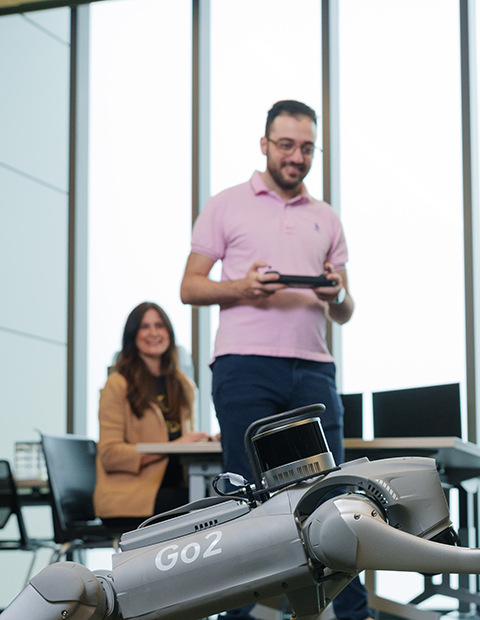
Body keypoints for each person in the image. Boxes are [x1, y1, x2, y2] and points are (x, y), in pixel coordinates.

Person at [179, 100, 366, 620]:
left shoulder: (326, 218)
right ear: (264, 144)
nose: (297, 156)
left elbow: (347, 310)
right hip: (244, 366)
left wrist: (334, 293)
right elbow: (189, 286)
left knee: (333, 494)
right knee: (245, 500)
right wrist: (243, 287)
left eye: (307, 147)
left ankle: (355, 615)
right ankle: (239, 615)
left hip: (313, 367)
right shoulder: (226, 204)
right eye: (286, 145)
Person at [94, 302, 211, 530]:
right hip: (132, 498)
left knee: (225, 500)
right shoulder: (117, 385)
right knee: (208, 509)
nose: (154, 333)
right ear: (132, 335)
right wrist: (174, 446)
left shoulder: (182, 385)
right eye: (145, 326)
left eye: (160, 325)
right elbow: (109, 454)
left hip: (176, 488)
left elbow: (186, 445)